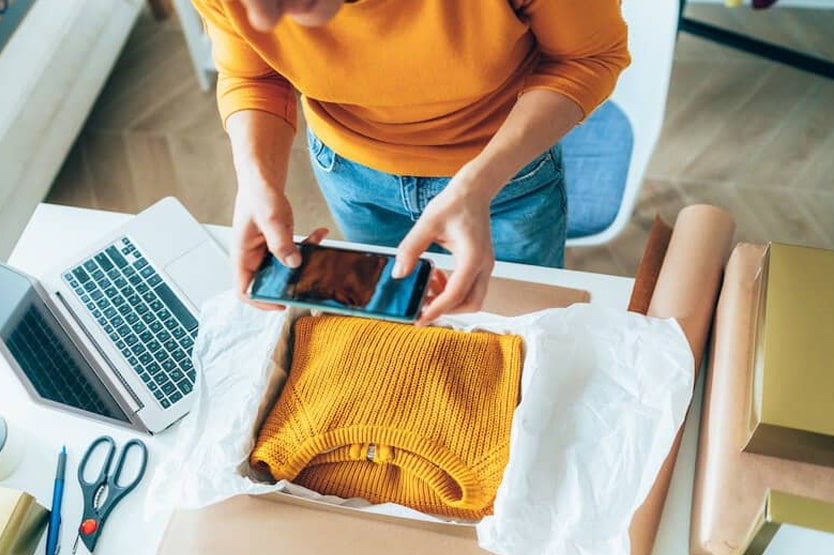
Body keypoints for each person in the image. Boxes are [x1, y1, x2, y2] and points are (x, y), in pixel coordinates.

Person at [190, 0, 630, 325]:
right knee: (396, 312)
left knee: (521, 322)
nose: (267, 18)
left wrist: (479, 183)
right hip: (349, 173)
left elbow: (587, 58)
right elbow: (254, 74)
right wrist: (256, 180)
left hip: (506, 175)